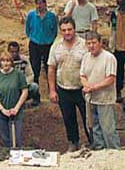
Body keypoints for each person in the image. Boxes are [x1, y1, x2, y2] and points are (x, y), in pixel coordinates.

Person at [48, 16, 90, 152]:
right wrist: (52, 90)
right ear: (60, 31)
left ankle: (93, 142)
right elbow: (51, 68)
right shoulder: (56, 46)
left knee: (88, 118)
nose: (67, 32)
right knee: (68, 118)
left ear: (74, 29)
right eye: (64, 30)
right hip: (63, 88)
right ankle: (73, 142)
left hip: (82, 89)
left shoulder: (84, 45)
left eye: (69, 29)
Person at [80, 31, 119, 150]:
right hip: (91, 99)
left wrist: (94, 87)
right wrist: (87, 85)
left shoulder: (109, 58)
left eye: (94, 43)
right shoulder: (86, 57)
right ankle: (99, 150)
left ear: (100, 43)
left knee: (108, 129)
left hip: (105, 99)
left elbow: (110, 78)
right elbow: (82, 75)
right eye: (89, 43)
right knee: (94, 128)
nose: (91, 46)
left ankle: (114, 151)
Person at [0, 51, 29, 148]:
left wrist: (16, 108)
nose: (6, 63)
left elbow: (24, 91)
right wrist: (2, 109)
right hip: (1, 113)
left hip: (16, 112)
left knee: (16, 140)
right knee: (5, 140)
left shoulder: (18, 75)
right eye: (3, 61)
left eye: (8, 61)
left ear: (11, 62)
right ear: (0, 63)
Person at [25, 0, 58, 97]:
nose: (38, 6)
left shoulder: (51, 16)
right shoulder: (31, 15)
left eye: (40, 3)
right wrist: (33, 37)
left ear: (45, 3)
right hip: (34, 45)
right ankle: (36, 95)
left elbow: (55, 31)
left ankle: (52, 93)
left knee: (49, 68)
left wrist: (49, 39)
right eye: (37, 4)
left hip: (48, 45)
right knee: (35, 69)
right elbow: (27, 29)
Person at [0, 40, 40, 105]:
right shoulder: (2, 61)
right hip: (8, 87)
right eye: (12, 52)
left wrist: (22, 84)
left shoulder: (24, 60)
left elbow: (30, 75)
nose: (14, 54)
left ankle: (30, 100)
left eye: (16, 51)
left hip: (22, 86)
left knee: (34, 87)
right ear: (8, 51)